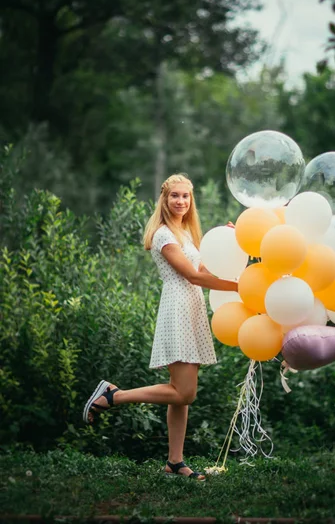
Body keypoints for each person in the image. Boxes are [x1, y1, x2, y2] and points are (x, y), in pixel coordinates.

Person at [83, 173, 238, 481]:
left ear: (191, 200)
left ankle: (175, 462)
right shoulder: (164, 235)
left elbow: (204, 267)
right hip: (178, 309)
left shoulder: (186, 234)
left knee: (179, 393)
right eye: (174, 196)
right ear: (164, 200)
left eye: (186, 196)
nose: (180, 201)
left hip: (191, 309)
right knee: (184, 393)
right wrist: (239, 287)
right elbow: (193, 277)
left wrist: (228, 238)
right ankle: (114, 395)